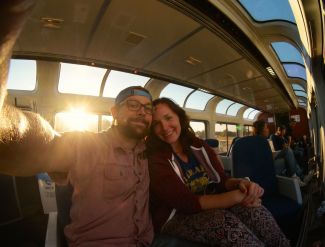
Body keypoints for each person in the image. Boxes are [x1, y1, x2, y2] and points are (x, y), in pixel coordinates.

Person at [147, 98, 290, 247]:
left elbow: (222, 180)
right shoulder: (155, 160)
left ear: (179, 117)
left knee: (255, 213)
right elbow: (187, 203)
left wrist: (241, 184)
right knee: (225, 223)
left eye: (168, 118)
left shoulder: (198, 146)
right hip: (175, 216)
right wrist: (238, 196)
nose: (164, 127)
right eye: (156, 124)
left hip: (209, 203)